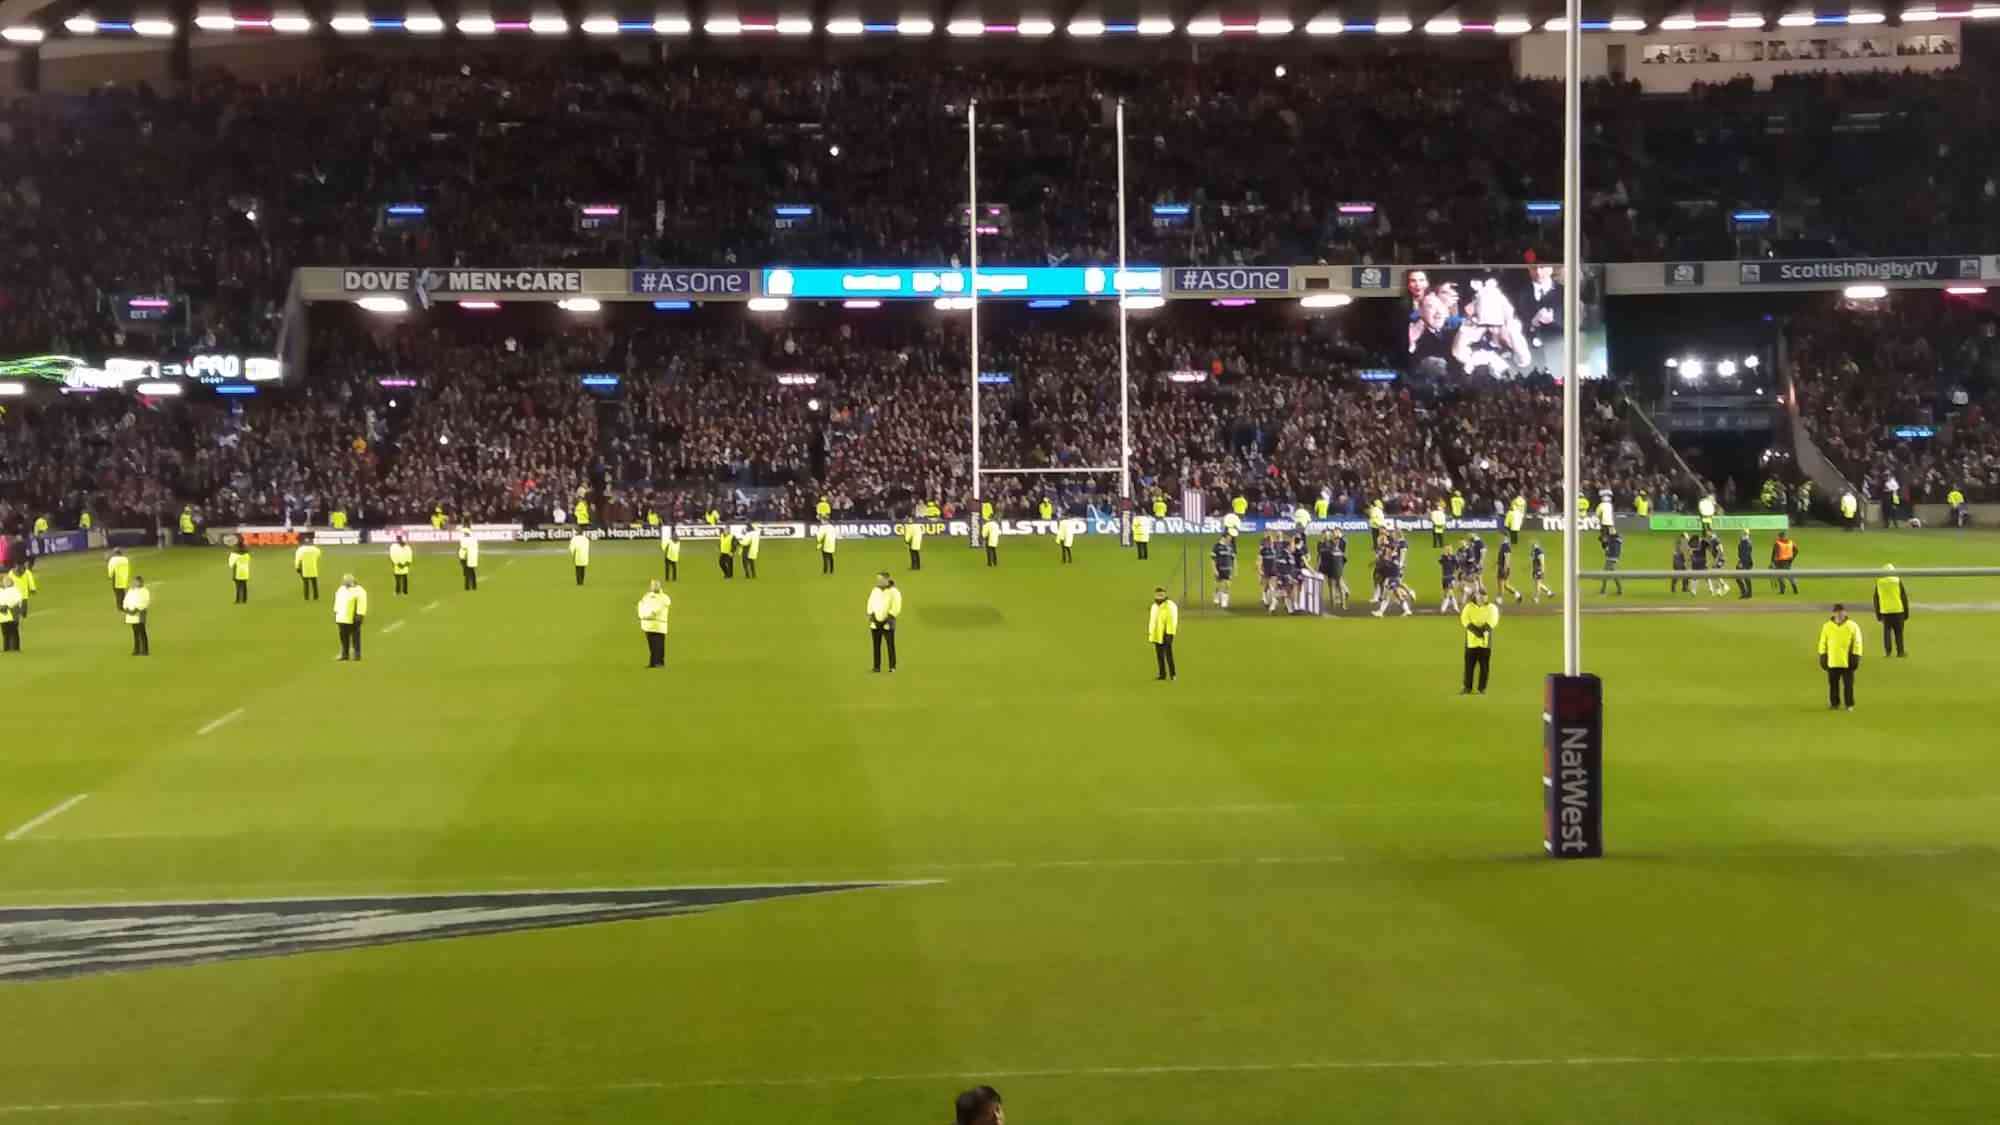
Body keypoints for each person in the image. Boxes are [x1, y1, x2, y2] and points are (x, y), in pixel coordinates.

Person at [1817, 603, 1864, 710]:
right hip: (1832, 660)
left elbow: (1857, 642)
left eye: (1841, 612)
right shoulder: (1827, 626)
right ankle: (1834, 703)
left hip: (1847, 661)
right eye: (1837, 612)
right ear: (1833, 613)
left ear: (1845, 612)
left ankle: (1849, 704)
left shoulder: (1852, 625)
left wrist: (1856, 656)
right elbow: (1822, 642)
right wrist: (1823, 656)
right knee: (1833, 684)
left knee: (1848, 685)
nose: (1839, 614)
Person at [1459, 587, 1499, 695]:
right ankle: (1467, 687)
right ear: (1476, 596)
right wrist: (1477, 632)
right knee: (1468, 667)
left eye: (1484, 595)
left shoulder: (1492, 608)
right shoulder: (1468, 607)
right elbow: (1464, 620)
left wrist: (1481, 631)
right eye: (1480, 595)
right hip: (1471, 642)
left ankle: (1482, 688)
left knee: (1484, 667)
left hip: (1485, 643)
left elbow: (1492, 622)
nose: (1482, 597)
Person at [866, 571, 902, 672]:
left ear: (887, 579)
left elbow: (896, 606)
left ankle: (892, 666)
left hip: (888, 622)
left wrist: (889, 618)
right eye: (877, 579)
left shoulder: (894, 592)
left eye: (880, 579)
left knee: (890, 645)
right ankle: (877, 666)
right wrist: (871, 615)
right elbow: (870, 602)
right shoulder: (875, 590)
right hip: (875, 621)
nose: (878, 581)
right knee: (876, 646)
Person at [1872, 564, 1909, 658]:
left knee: (1886, 632)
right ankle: (1900, 652)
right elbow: (1903, 597)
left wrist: (1878, 613)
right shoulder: (1897, 581)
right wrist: (1906, 612)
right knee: (1899, 633)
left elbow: (1876, 599)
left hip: (1885, 611)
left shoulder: (1879, 582)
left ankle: (1888, 652)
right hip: (1898, 610)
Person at [333, 574, 368, 661]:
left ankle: (357, 654)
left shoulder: (359, 590)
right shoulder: (341, 589)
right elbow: (338, 601)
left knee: (355, 637)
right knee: (344, 638)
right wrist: (336, 611)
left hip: (353, 617)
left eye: (347, 581)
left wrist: (360, 615)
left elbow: (362, 603)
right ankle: (345, 654)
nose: (345, 583)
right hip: (341, 618)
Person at [637, 579, 672, 668]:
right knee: (652, 645)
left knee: (659, 644)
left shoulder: (664, 598)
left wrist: (647, 615)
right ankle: (653, 662)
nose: (654, 587)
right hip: (648, 625)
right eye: (653, 585)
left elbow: (657, 609)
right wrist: (642, 614)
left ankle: (659, 662)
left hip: (659, 625)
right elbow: (641, 604)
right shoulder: (647, 596)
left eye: (656, 585)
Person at [1147, 585, 1179, 681]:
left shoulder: (1170, 606)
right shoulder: (1154, 606)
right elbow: (1152, 621)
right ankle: (1162, 674)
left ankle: (1173, 674)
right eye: (1158, 595)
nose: (1159, 597)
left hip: (1166, 633)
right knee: (1159, 655)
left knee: (1168, 654)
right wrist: (1151, 633)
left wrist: (1170, 633)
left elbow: (1172, 620)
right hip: (1157, 634)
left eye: (1161, 595)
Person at [123, 575, 151, 656]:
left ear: (140, 582)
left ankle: (145, 650)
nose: (135, 583)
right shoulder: (131, 591)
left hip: (140, 614)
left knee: (142, 631)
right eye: (134, 581)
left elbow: (145, 602)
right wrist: (126, 608)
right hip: (131, 614)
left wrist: (137, 609)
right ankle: (136, 649)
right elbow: (126, 600)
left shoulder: (144, 591)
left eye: (137, 582)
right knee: (135, 632)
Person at [294, 533, 323, 601]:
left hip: (305, 568)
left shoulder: (301, 550)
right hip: (313, 567)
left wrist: (297, 567)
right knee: (314, 583)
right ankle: (316, 597)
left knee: (306, 583)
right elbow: (319, 555)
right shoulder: (315, 549)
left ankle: (306, 597)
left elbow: (297, 559)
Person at [1770, 530, 1799, 594]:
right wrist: (1792, 558)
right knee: (1789, 575)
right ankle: (1795, 588)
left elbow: (1773, 552)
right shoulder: (1791, 542)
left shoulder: (1777, 543)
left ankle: (1782, 590)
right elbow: (1796, 550)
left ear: (1780, 536)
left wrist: (1772, 562)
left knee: (1780, 576)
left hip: (1779, 561)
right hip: (1788, 561)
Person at [1210, 532, 1235, 608]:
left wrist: (1233, 569)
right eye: (1229, 537)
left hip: (1228, 569)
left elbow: (1232, 559)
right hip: (1219, 569)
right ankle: (1216, 598)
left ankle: (1224, 602)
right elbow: (1213, 560)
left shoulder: (1230, 547)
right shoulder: (1216, 546)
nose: (1230, 539)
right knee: (1218, 585)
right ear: (1224, 537)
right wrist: (1214, 570)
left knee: (1227, 585)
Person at [1497, 536, 1521, 604]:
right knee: (1506, 585)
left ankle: (1500, 599)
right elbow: (1501, 558)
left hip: (1503, 568)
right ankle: (1517, 594)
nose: (1500, 539)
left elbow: (1507, 559)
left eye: (1502, 538)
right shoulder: (1503, 546)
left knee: (1500, 584)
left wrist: (1504, 569)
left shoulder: (1506, 547)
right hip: (1503, 567)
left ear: (1505, 538)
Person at [1598, 529, 1623, 595]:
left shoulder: (1613, 541)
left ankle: (1603, 591)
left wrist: (1604, 542)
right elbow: (1606, 546)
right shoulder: (1616, 540)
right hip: (1613, 558)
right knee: (1614, 575)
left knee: (1605, 574)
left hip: (1611, 559)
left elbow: (1607, 549)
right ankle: (1620, 590)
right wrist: (1604, 543)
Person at [0, 574, 21, 653]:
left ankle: (10, 648)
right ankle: (11, 648)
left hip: (8, 614)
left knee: (9, 633)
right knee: (11, 632)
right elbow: (18, 600)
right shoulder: (13, 590)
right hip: (9, 614)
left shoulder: (9, 591)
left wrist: (5, 607)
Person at [1735, 530, 1755, 599]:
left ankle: (1746, 593)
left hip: (1745, 562)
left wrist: (1741, 563)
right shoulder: (1745, 542)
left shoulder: (1745, 542)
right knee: (1745, 578)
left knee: (1740, 578)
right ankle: (1748, 593)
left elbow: (1745, 554)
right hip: (1746, 561)